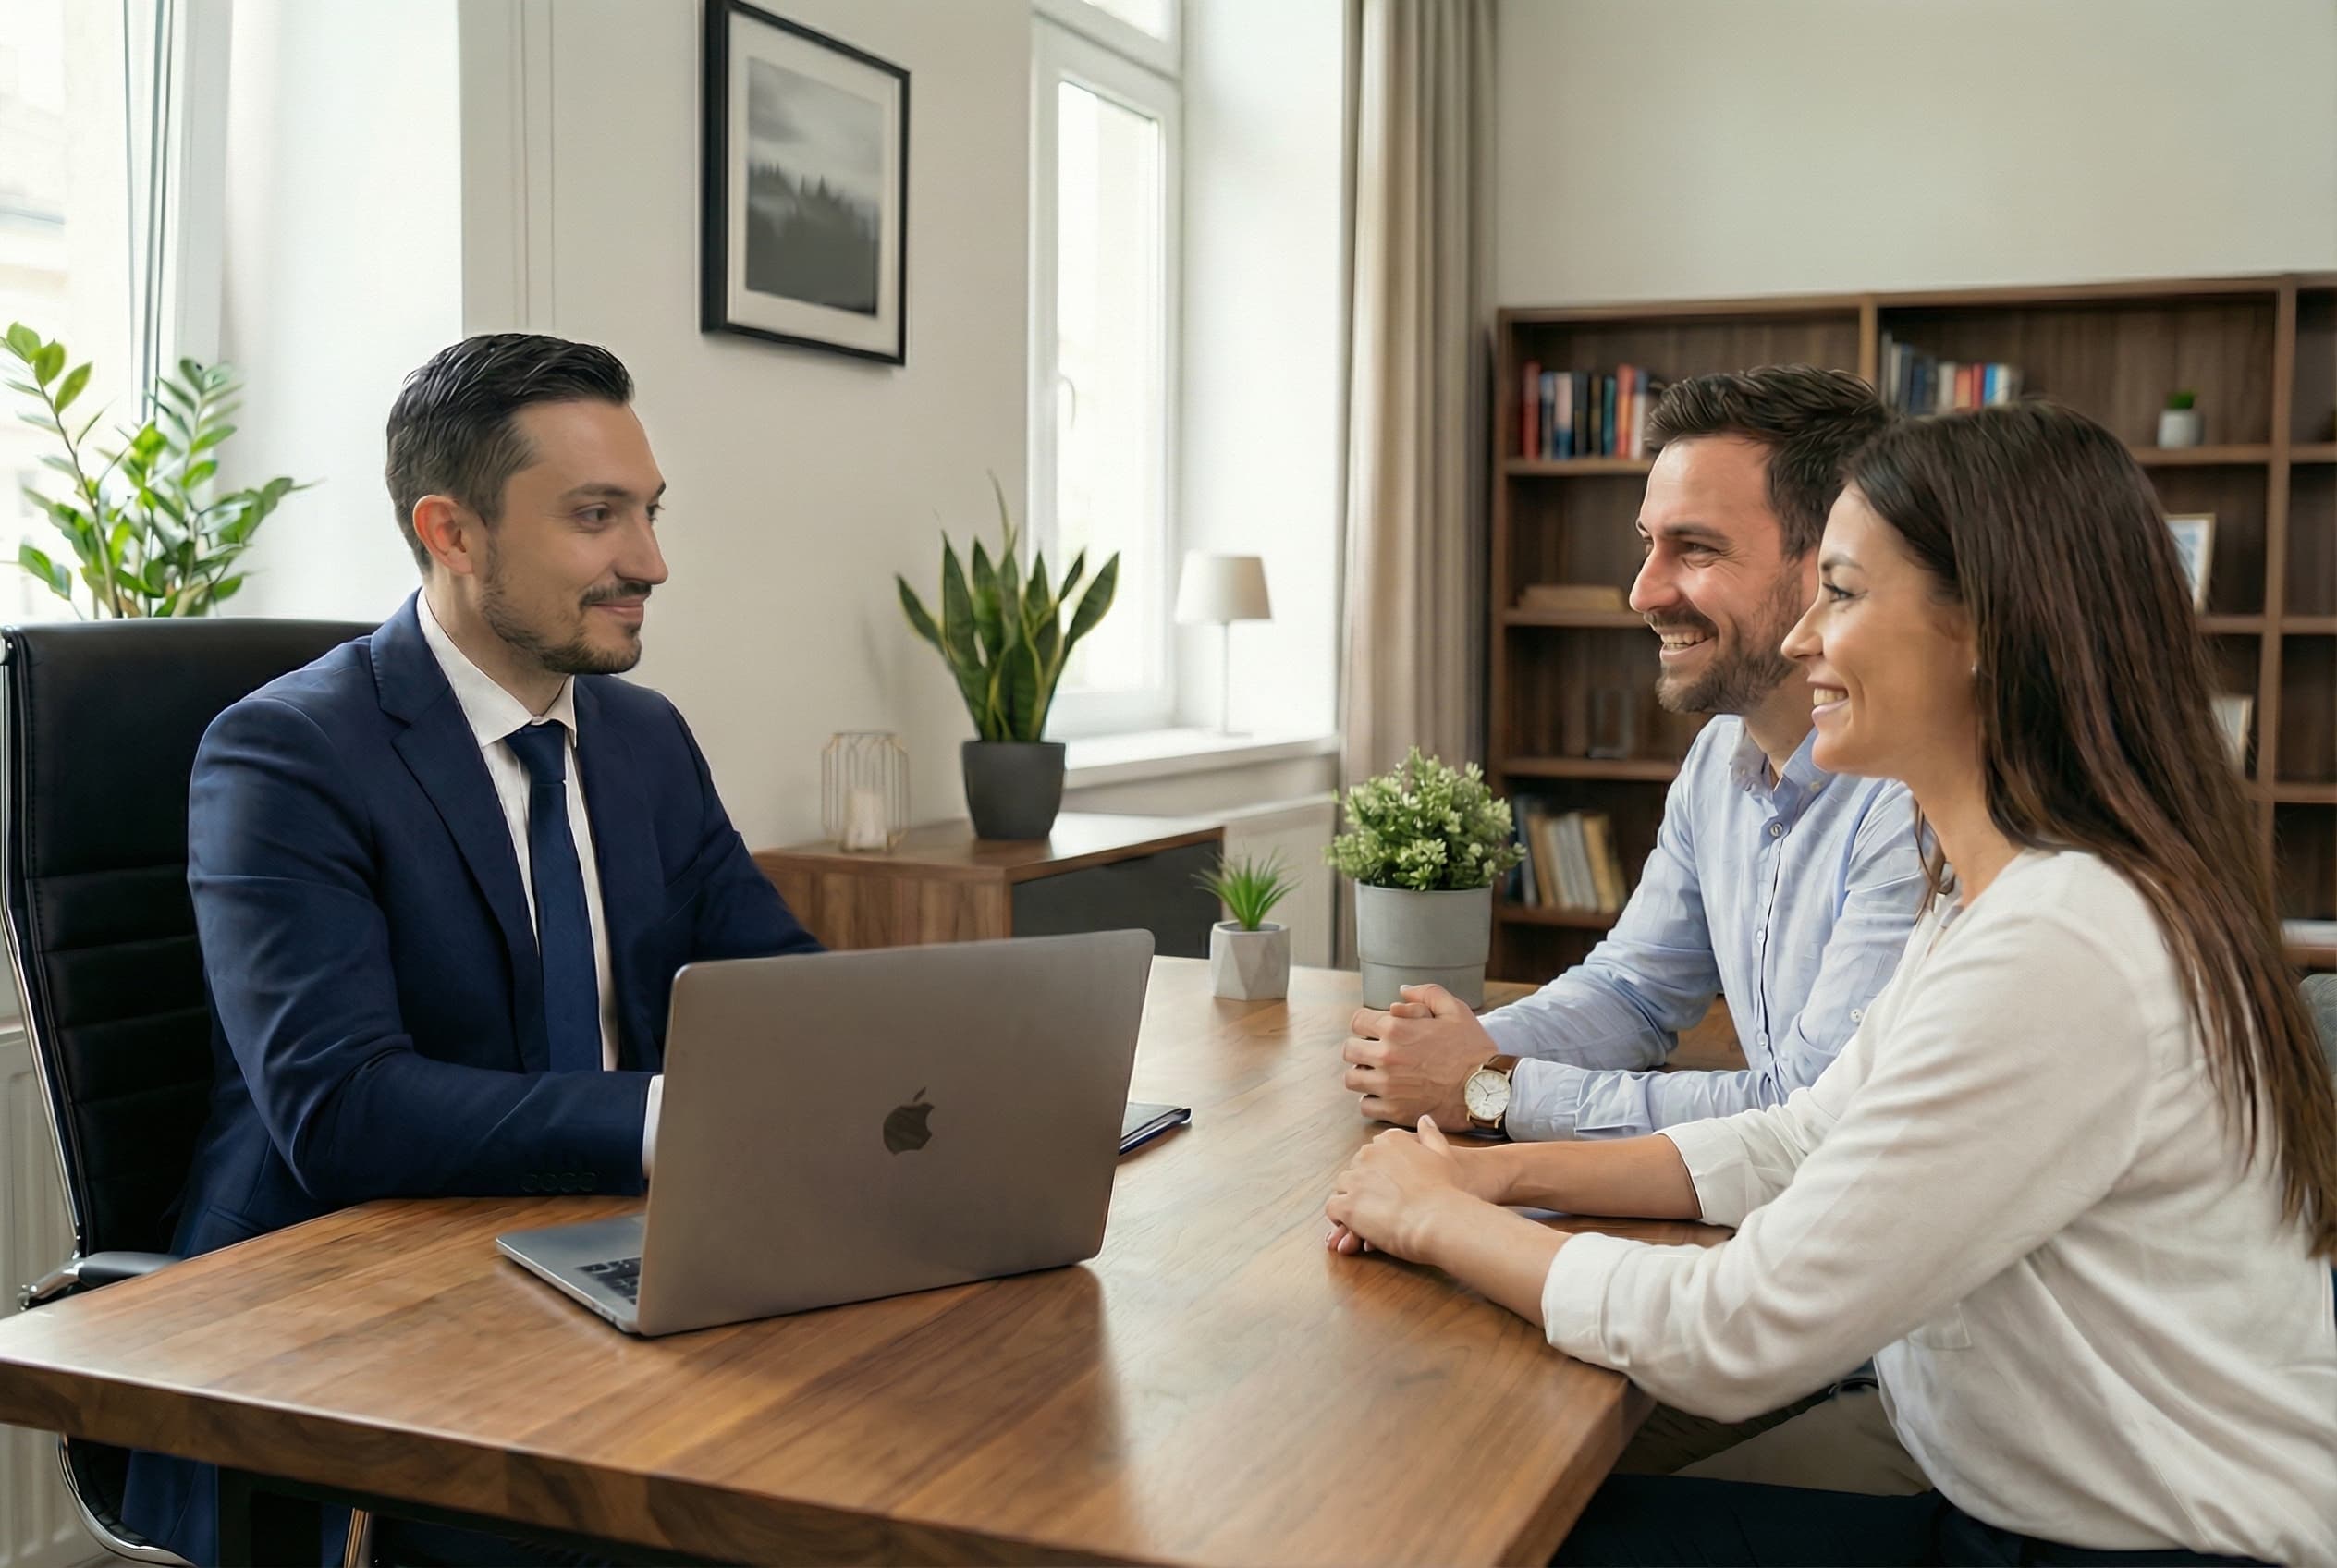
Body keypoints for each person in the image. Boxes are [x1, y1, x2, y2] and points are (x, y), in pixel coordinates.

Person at [1325, 401, 2337, 1565]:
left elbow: (1740, 1327)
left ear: (1984, 633)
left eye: (1843, 593)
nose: (1805, 636)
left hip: (2139, 1550)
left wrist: (1438, 1215)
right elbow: (1805, 1136)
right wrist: (1496, 1176)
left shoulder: (2061, 940)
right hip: (2005, 1493)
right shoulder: (1990, 892)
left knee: (1480, 1529)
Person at [123, 334, 823, 1566]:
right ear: (452, 531)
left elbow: (776, 986)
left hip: (613, 1267)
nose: (650, 564)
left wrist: (910, 1064)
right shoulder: (287, 754)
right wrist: (673, 1118)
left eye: (649, 515)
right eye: (597, 517)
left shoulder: (644, 740)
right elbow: (343, 1108)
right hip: (348, 1324)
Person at [1343, 368, 1919, 1150]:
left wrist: (1490, 1090)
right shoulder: (1720, 754)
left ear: (1833, 565)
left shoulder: (1915, 790)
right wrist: (1452, 1050)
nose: (1643, 592)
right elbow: (1635, 991)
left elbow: (1811, 1111)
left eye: (1697, 549)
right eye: (1650, 544)